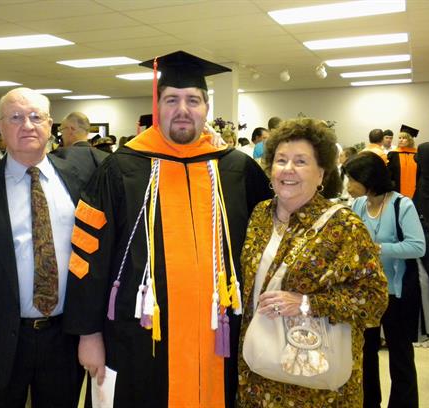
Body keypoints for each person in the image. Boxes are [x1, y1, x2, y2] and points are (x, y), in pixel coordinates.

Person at [63, 50, 272, 408]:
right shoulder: (120, 169)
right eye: (171, 99)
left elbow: (266, 247)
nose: (183, 109)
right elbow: (87, 254)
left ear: (206, 107)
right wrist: (88, 333)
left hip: (221, 336)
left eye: (193, 100)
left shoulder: (237, 170)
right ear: (157, 106)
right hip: (139, 337)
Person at [0, 88, 90, 407]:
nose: (27, 125)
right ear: (0, 127)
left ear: (51, 126)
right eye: (16, 117)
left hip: (64, 336)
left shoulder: (80, 181)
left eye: (37, 117)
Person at [237, 118, 389, 407]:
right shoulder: (259, 216)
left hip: (316, 383)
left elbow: (374, 301)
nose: (288, 169)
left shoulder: (344, 226)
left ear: (321, 173)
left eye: (301, 161)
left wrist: (307, 303)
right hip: (257, 375)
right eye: (281, 160)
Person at [346, 152, 425, 408]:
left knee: (400, 356)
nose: (348, 185)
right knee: (365, 355)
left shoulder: (402, 205)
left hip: (396, 292)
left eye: (352, 179)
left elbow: (417, 246)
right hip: (365, 293)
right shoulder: (357, 205)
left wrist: (377, 248)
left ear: (368, 179)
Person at [387, 125, 418, 198]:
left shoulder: (417, 154)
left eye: (404, 138)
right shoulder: (393, 154)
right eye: (399, 138)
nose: (400, 140)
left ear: (410, 140)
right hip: (397, 191)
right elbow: (389, 174)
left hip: (415, 192)